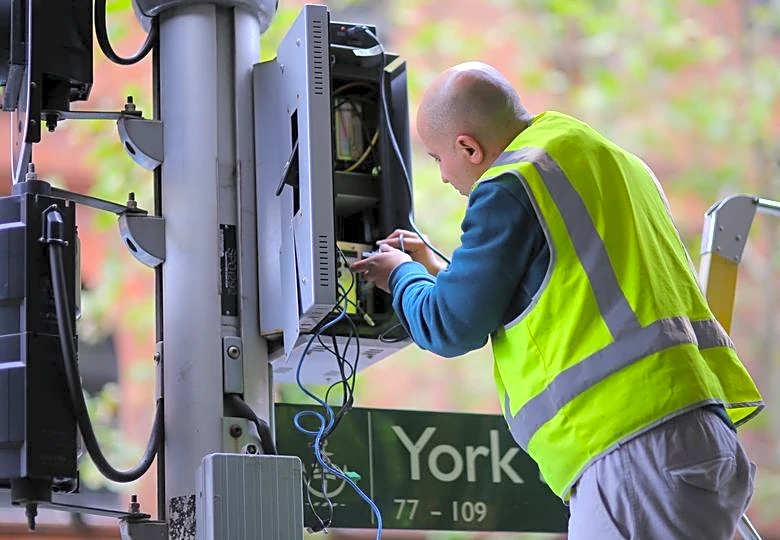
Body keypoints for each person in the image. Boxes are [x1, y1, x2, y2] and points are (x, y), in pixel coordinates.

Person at [350, 61, 763, 539]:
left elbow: (450, 324)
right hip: (693, 438)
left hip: (631, 448)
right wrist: (436, 270)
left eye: (438, 158)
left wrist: (400, 276)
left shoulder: (512, 181)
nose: (443, 176)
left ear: (468, 147)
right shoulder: (603, 158)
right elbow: (547, 287)